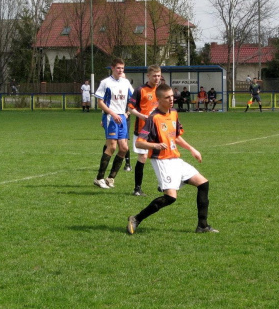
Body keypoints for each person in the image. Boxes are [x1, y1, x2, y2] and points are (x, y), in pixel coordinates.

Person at [126, 83, 218, 234]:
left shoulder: (174, 113)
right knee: (170, 198)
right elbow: (139, 142)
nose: (171, 99)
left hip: (175, 159)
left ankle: (202, 225)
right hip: (162, 161)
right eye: (167, 97)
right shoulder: (153, 118)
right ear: (158, 100)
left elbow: (176, 137)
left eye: (172, 96)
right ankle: (136, 218)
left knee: (203, 184)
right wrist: (155, 146)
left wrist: (192, 149)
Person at [93, 58, 134, 189]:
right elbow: (100, 102)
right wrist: (113, 114)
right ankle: (99, 178)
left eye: (122, 68)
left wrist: (127, 112)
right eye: (118, 68)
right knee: (111, 147)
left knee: (124, 148)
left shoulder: (126, 82)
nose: (120, 70)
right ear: (112, 68)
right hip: (111, 117)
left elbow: (133, 99)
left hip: (122, 117)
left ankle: (110, 178)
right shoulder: (105, 83)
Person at [127, 64, 162, 196]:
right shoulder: (140, 90)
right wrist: (142, 116)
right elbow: (130, 108)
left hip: (158, 130)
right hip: (143, 130)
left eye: (159, 76)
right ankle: (137, 188)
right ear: (148, 76)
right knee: (142, 157)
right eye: (154, 76)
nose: (157, 78)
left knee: (160, 157)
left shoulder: (161, 90)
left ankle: (162, 184)